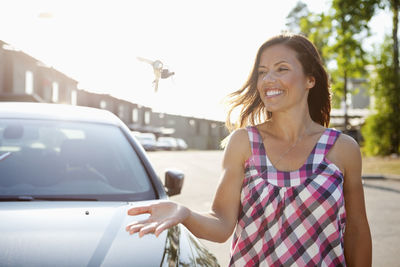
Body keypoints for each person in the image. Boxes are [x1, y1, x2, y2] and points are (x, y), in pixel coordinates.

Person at [125, 33, 372, 266]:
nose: (268, 80)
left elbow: (357, 231)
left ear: (310, 79)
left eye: (281, 69)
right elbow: (221, 224)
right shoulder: (243, 143)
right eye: (262, 72)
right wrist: (184, 213)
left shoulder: (343, 149)